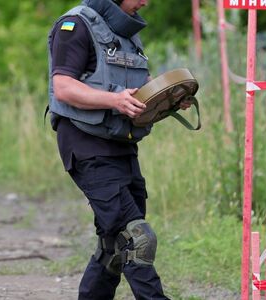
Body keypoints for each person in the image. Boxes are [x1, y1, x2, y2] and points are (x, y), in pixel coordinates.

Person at [48, 0, 188, 299]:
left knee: (113, 246)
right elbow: (63, 87)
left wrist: (169, 97)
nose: (147, 1)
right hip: (85, 144)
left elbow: (136, 86)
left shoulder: (126, 31)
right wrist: (114, 101)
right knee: (136, 238)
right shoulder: (74, 25)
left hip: (122, 144)